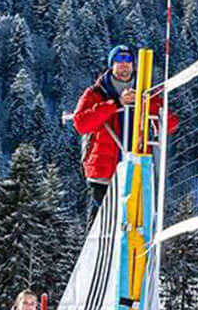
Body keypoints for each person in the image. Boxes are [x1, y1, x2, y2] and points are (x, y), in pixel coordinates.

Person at [72, 44, 178, 220]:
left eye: (128, 60)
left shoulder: (146, 92)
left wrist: (147, 103)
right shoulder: (96, 92)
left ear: (134, 65)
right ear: (111, 64)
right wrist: (116, 104)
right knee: (102, 230)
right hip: (103, 173)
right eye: (119, 60)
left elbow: (171, 124)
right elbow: (81, 124)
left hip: (137, 169)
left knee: (134, 226)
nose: (124, 64)